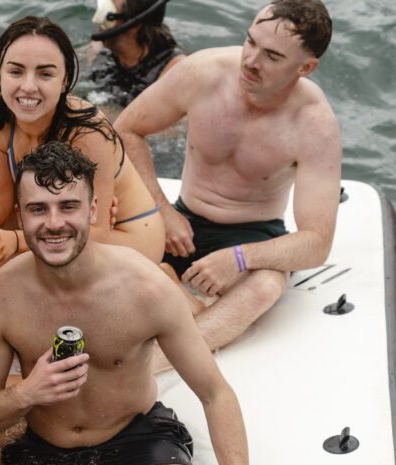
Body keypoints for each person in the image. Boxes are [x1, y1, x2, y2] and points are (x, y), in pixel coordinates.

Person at [0, 141, 261, 465]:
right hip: (46, 451)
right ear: (19, 215)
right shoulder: (1, 296)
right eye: (38, 209)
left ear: (93, 209)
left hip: (136, 439)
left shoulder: (144, 286)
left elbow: (214, 392)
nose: (54, 222)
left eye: (68, 206)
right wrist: (27, 394)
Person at [115, 0, 341, 351]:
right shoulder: (204, 72)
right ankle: (190, 306)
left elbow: (316, 243)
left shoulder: (315, 124)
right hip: (179, 218)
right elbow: (127, 129)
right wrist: (162, 209)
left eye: (273, 56)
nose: (251, 61)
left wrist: (240, 258)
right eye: (250, 42)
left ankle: (161, 361)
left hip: (251, 231)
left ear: (306, 67)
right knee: (105, 245)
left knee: (266, 285)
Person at [0, 16, 165, 271]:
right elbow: (1, 208)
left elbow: (96, 231)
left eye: (45, 73)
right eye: (16, 71)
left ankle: (168, 277)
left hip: (123, 234)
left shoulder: (87, 132)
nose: (28, 87)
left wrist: (16, 240)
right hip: (55, 221)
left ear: (65, 81)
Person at [87, 0, 185, 107]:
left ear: (134, 27)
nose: (98, 22)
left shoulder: (173, 72)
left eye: (106, 14)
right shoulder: (100, 52)